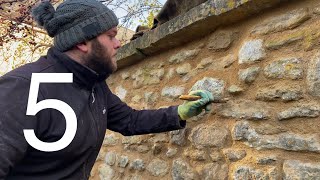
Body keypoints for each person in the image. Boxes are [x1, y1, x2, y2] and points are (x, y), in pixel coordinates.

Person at [0, 0, 214, 179]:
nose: (119, 43)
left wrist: (179, 113)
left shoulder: (93, 84)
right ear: (83, 42)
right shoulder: (23, 88)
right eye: (111, 36)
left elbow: (130, 120)